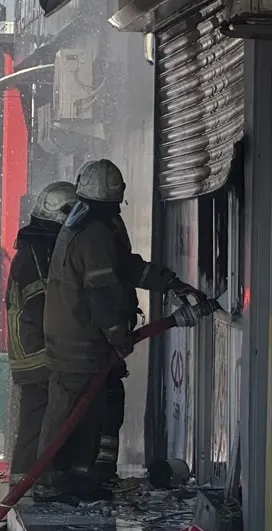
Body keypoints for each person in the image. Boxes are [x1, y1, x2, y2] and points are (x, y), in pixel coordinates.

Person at [39, 159, 200, 503]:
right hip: (79, 341)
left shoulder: (85, 224)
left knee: (88, 411)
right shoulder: (93, 234)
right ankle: (50, 482)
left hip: (77, 336)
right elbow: (102, 293)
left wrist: (169, 282)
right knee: (68, 412)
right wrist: (117, 335)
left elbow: (124, 266)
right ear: (112, 200)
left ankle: (77, 479)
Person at [5, 181, 77, 485]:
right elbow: (41, 305)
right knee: (42, 418)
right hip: (38, 351)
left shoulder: (36, 248)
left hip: (33, 350)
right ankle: (30, 486)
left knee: (37, 419)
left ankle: (26, 484)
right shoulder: (37, 254)